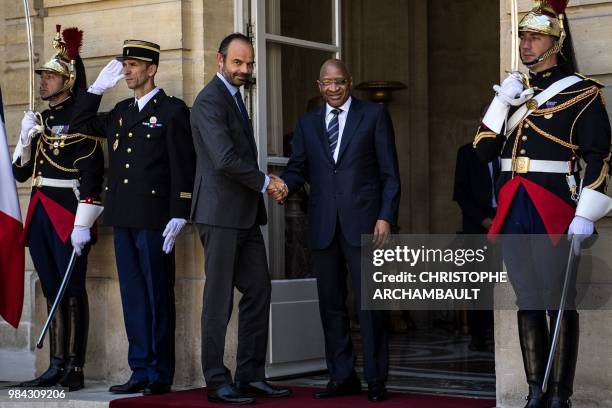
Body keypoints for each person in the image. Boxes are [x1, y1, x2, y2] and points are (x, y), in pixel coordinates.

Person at [473, 1, 612, 407]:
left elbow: (598, 156)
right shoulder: (517, 94)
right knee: (528, 298)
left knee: (559, 299)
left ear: (555, 43)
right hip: (514, 208)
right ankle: (535, 390)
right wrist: (502, 102)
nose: (525, 44)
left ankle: (559, 395)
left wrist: (586, 213)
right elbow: (482, 150)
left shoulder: (582, 93)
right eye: (523, 36)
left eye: (534, 37)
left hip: (555, 208)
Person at [70, 40, 196, 395]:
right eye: (125, 65)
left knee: (157, 294)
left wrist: (180, 212)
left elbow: (183, 165)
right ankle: (139, 368)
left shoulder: (172, 111)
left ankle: (159, 373)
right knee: (133, 296)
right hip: (124, 215)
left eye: (134, 65)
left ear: (152, 69)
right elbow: (80, 122)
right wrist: (96, 89)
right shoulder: (121, 111)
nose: (126, 71)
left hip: (156, 219)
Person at [272, 58, 401, 402]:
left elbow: (390, 173)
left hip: (366, 226)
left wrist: (386, 216)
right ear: (319, 85)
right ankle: (342, 376)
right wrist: (284, 185)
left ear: (350, 82)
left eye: (339, 82)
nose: (333, 88)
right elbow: (299, 168)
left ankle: (376, 379)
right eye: (327, 83)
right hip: (324, 225)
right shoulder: (307, 124)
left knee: (369, 306)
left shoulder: (373, 116)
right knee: (331, 305)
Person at [190, 33, 290, 405]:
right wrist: (268, 182)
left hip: (244, 215)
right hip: (218, 214)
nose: (245, 70)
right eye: (237, 63)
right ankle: (217, 381)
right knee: (217, 300)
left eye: (249, 64)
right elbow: (225, 160)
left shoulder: (234, 97)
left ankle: (250, 375)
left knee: (259, 289)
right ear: (220, 61)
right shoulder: (209, 100)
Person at [12, 26, 104, 391]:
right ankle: (54, 364)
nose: (43, 82)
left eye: (50, 76)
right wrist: (23, 139)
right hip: (39, 212)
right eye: (43, 76)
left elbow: (93, 174)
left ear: (67, 80)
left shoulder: (80, 118)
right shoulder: (41, 121)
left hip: (68, 215)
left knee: (72, 289)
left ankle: (74, 367)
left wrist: (84, 221)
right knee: (52, 289)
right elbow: (21, 173)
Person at [453, 105, 498, 351]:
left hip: (508, 222)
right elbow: (460, 193)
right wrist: (484, 220)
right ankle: (478, 337)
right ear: (481, 120)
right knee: (479, 283)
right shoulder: (467, 153)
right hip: (478, 225)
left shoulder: (510, 151)